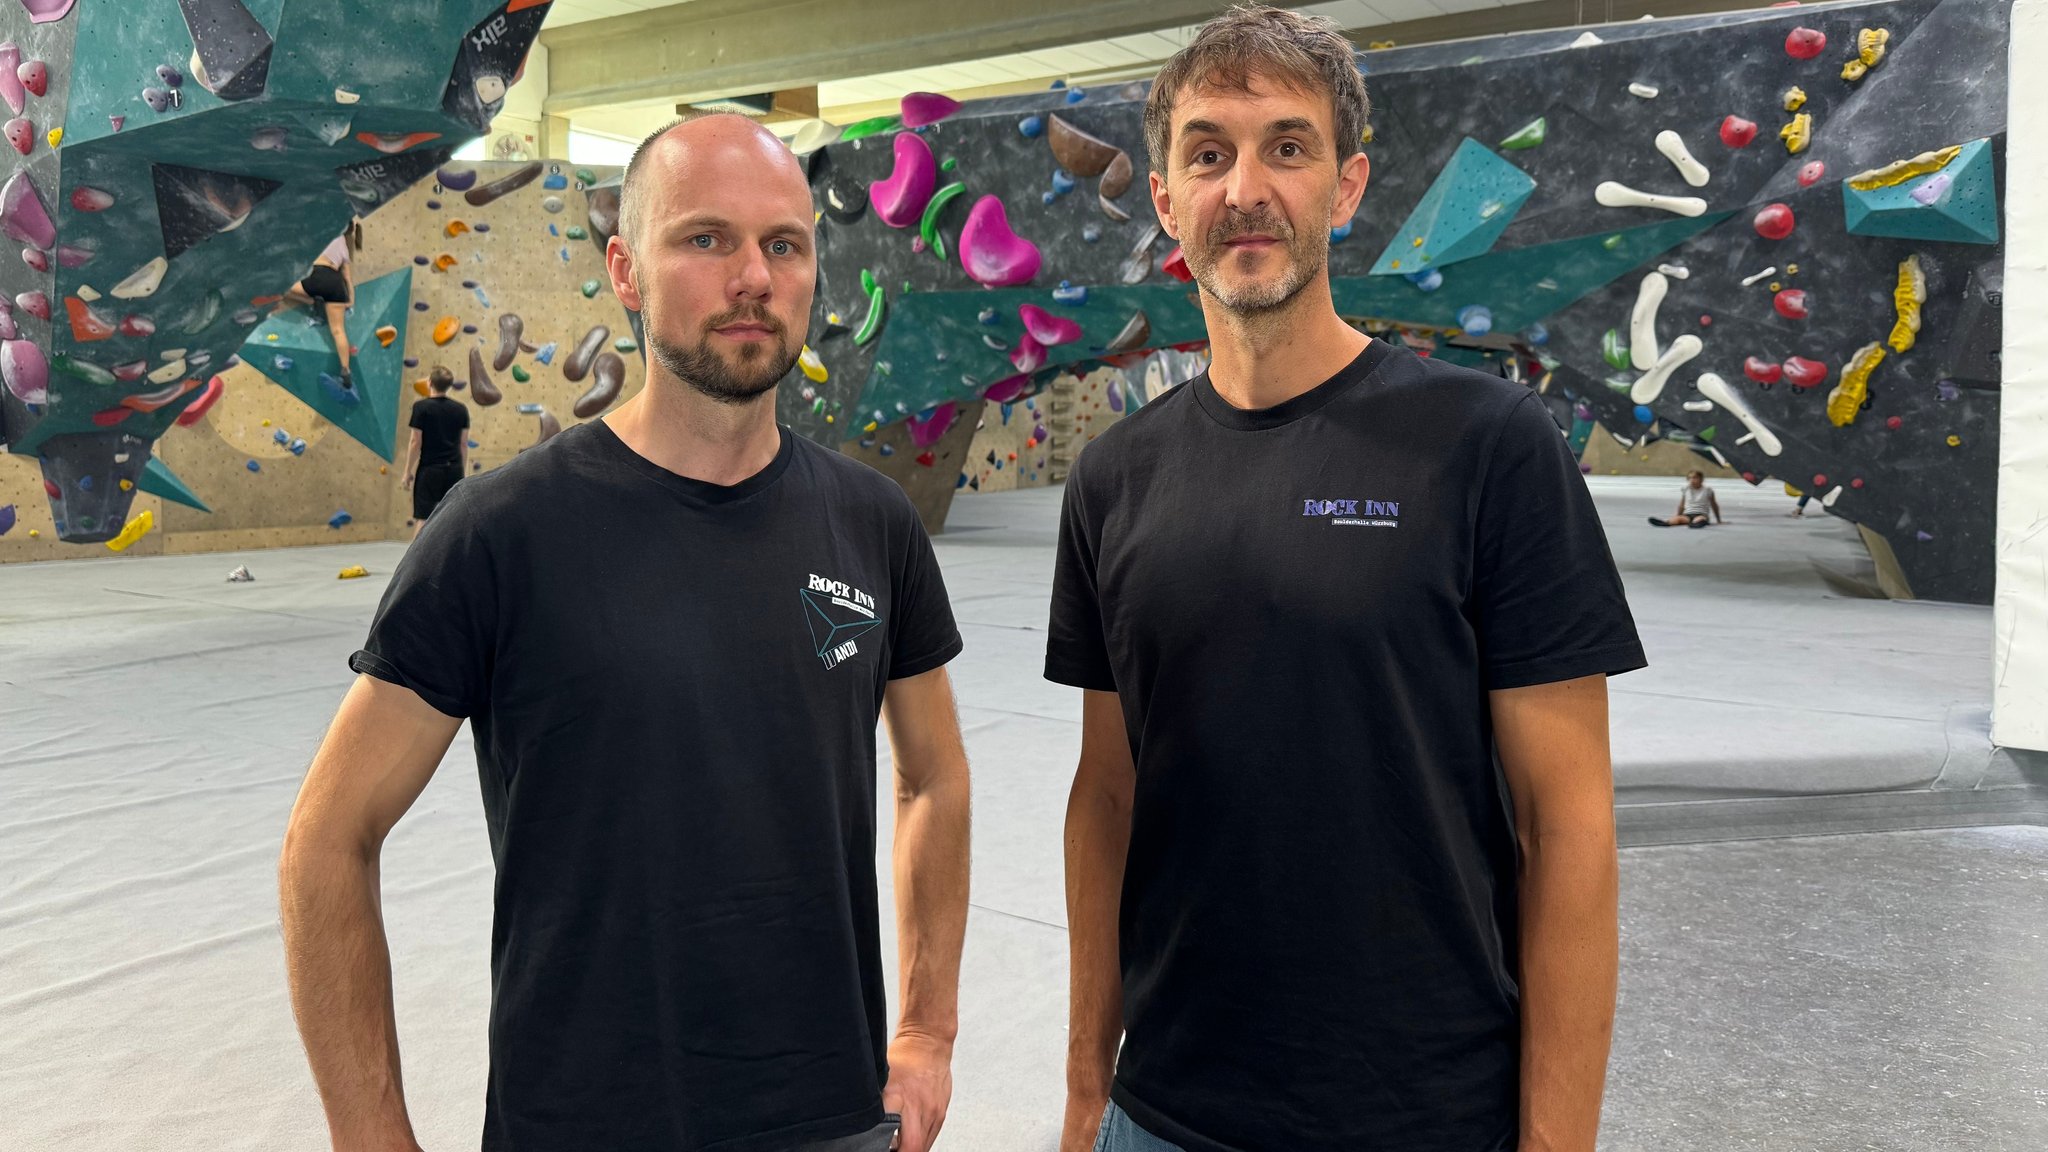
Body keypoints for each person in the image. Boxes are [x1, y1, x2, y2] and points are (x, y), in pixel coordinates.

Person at [279, 114, 971, 1152]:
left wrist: (922, 1031)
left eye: (783, 244)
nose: (752, 277)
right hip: (580, 1123)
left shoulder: (872, 525)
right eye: (705, 240)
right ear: (626, 271)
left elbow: (935, 779)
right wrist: (369, 1135)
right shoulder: (502, 534)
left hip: (829, 1119)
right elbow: (327, 841)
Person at [1048, 8, 1647, 1152]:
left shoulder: (1486, 444)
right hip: (1164, 1115)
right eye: (1207, 152)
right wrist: (1086, 1090)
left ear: (1346, 184)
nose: (1246, 189)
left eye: (1287, 146)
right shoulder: (1113, 478)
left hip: (1420, 1115)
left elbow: (1564, 825)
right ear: (1167, 201)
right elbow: (1107, 798)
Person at [280, 223, 359, 391]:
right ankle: (345, 369)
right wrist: (351, 299)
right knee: (338, 330)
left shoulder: (323, 229)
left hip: (316, 275)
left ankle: (313, 302)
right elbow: (347, 277)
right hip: (335, 283)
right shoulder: (343, 244)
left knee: (283, 288)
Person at [401, 366, 468, 539]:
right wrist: (462, 471)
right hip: (454, 469)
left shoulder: (421, 407)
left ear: (430, 383)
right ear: (449, 386)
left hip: (430, 470)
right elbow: (463, 444)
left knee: (423, 518)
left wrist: (407, 471)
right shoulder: (461, 409)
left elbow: (416, 441)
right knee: (454, 518)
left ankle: (416, 564)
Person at [1650, 470, 1722, 527]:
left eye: (1695, 478)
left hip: (1701, 514)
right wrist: (1678, 515)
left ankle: (1697, 524)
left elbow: (1714, 505)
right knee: (1678, 519)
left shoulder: (1708, 490)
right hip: (1688, 514)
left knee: (1699, 519)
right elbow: (1681, 505)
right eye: (1690, 478)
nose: (1692, 480)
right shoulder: (1686, 489)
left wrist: (1718, 520)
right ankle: (1666, 523)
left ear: (1701, 479)